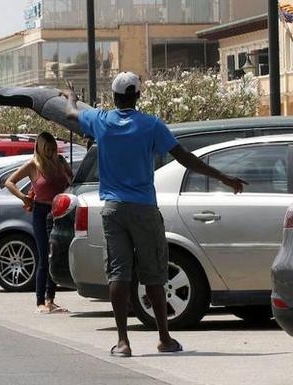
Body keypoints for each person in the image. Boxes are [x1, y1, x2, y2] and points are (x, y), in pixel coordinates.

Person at [64, 72, 246, 357]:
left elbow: (72, 112)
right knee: (154, 274)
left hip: (112, 210)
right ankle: (164, 338)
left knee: (118, 273)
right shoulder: (151, 125)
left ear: (113, 97)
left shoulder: (101, 121)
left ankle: (123, 342)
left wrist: (73, 96)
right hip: (144, 209)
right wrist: (222, 177)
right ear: (137, 96)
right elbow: (184, 157)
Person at [5, 132, 73, 314]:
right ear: (40, 148)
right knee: (44, 257)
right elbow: (9, 182)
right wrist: (24, 198)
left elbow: (72, 181)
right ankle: (40, 301)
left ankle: (51, 299)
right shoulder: (33, 165)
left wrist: (67, 169)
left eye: (53, 149)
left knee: (56, 255)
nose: (51, 153)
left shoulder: (59, 161)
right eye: (48, 150)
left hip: (59, 212)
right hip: (41, 212)